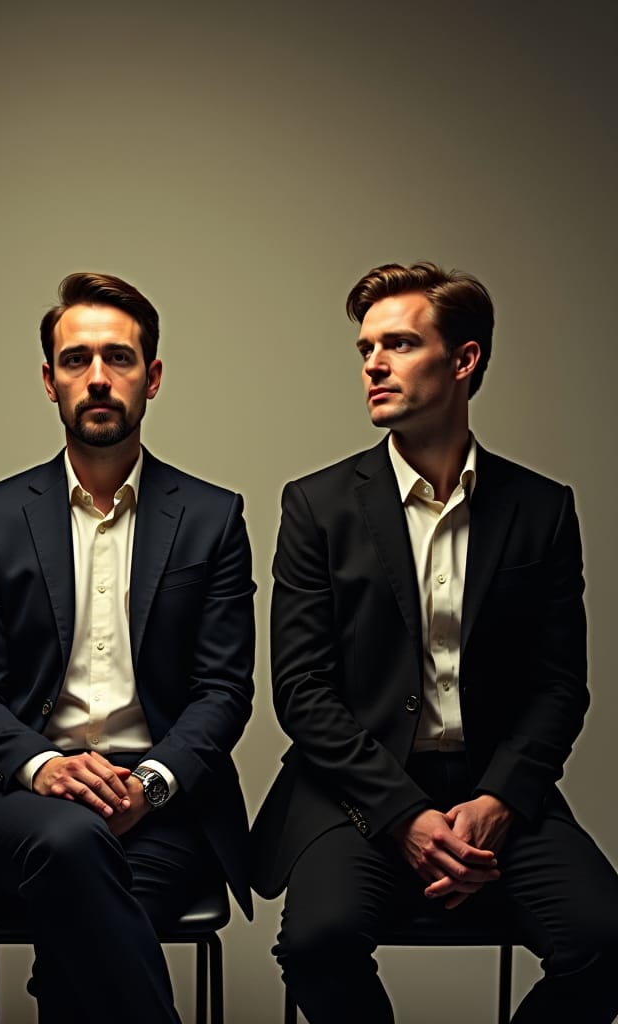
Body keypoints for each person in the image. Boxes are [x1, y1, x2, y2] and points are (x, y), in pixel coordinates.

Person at [250, 262, 618, 1022]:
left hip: (498, 791)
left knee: (606, 943)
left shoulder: (541, 510)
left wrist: (497, 801)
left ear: (464, 360)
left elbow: (560, 686)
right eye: (365, 349)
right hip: (357, 793)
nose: (374, 365)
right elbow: (302, 691)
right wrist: (405, 816)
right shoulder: (317, 506)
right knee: (317, 944)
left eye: (399, 344)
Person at [0, 272, 255, 1023]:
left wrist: (148, 784)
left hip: (165, 803)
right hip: (19, 796)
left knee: (81, 948)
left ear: (153, 376)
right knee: (75, 852)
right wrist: (46, 770)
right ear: (50, 382)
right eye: (77, 360)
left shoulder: (212, 518)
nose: (99, 378)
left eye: (118, 358)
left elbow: (224, 692)